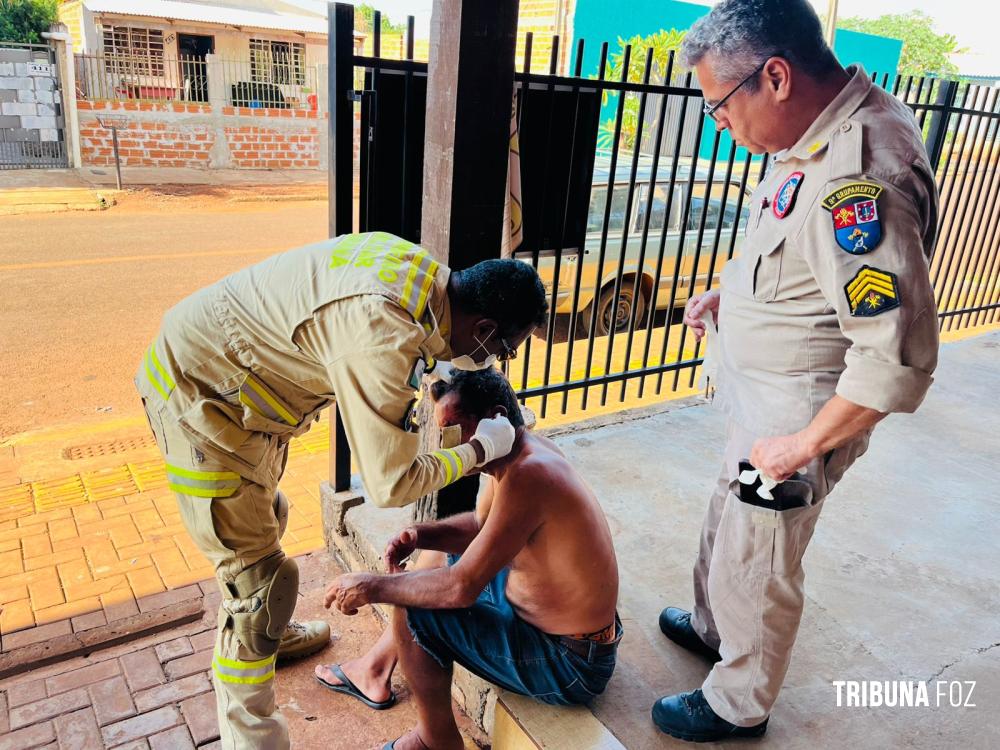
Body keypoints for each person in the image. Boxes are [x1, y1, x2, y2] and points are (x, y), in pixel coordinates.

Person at [652, 0, 940, 742]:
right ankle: (715, 629)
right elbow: (801, 253)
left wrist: (803, 445)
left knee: (760, 554)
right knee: (727, 523)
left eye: (719, 104)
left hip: (798, 413)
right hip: (761, 401)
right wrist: (733, 295)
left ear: (775, 77)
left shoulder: (861, 176)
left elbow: (893, 355)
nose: (719, 121)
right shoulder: (816, 129)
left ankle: (738, 701)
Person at [135, 232, 548, 749]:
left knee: (267, 518)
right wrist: (479, 450)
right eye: (504, 349)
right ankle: (252, 729)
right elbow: (392, 483)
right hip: (200, 402)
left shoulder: (421, 279)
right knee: (255, 590)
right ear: (483, 329)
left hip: (239, 396)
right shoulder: (383, 332)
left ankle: (274, 633)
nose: (498, 360)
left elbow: (403, 360)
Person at [321, 368, 622, 750]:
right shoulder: (520, 453)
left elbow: (460, 588)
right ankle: (374, 669)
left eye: (456, 431)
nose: (450, 447)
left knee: (415, 608)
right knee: (435, 559)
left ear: (495, 418)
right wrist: (422, 534)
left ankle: (436, 740)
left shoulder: (529, 476)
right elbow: (481, 525)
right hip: (553, 625)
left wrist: (373, 586)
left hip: (571, 664)